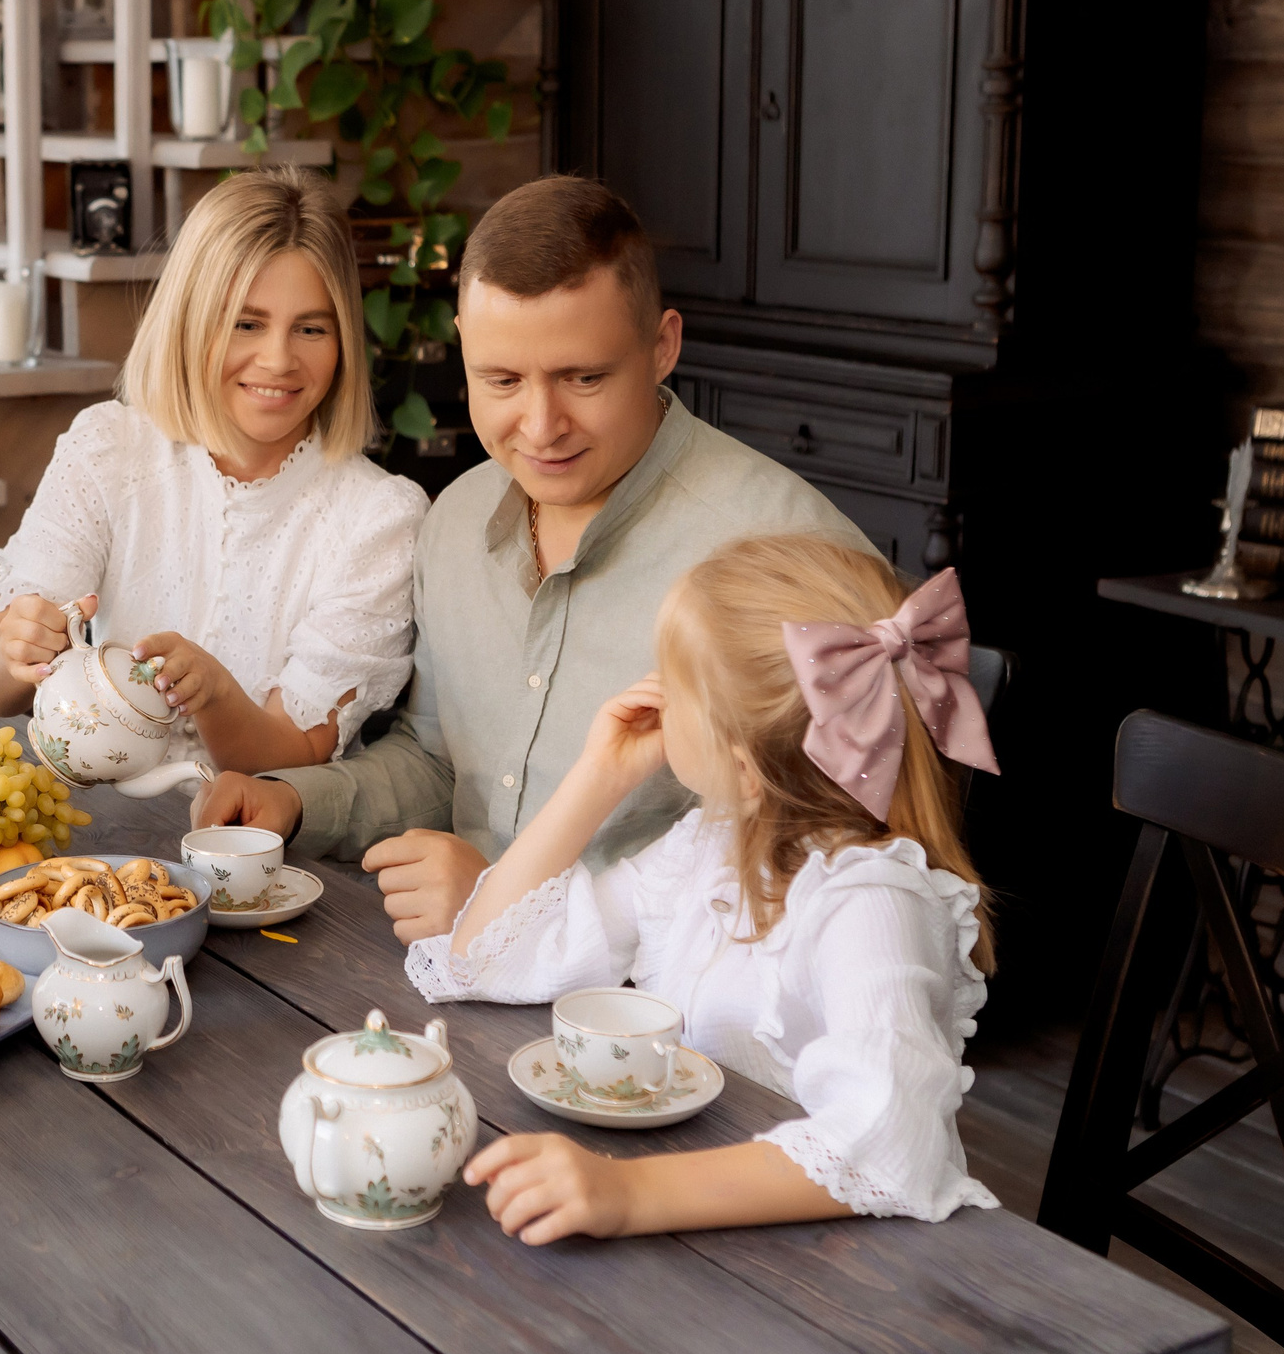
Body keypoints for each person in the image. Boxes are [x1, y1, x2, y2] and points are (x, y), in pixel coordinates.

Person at [193, 175, 872, 940]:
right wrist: (296, 801)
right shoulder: (454, 522)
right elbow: (442, 763)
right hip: (456, 980)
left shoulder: (792, 558)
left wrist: (507, 902)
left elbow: (844, 890)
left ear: (662, 347)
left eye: (584, 377)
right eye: (503, 380)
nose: (541, 425)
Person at [419, 535, 999, 1241]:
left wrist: (625, 1191)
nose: (650, 686)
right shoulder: (710, 845)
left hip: (820, 1261)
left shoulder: (870, 901)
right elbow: (485, 957)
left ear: (742, 757)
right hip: (701, 1213)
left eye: (672, 676)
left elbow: (890, 1138)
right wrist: (597, 778)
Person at [0, 167, 427, 777]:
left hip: (261, 850)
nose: (279, 359)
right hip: (91, 823)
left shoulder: (378, 517)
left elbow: (298, 755)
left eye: (311, 328)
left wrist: (214, 693)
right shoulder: (108, 447)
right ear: (190, 321)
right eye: (247, 323)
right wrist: (14, 647)